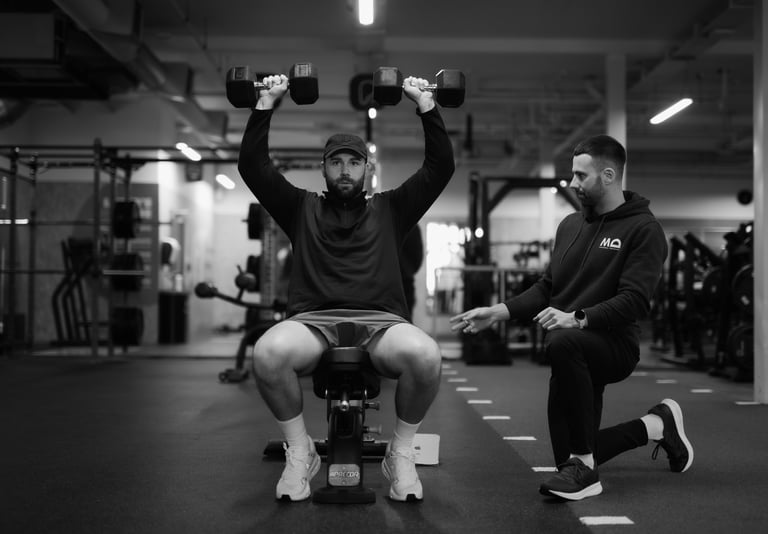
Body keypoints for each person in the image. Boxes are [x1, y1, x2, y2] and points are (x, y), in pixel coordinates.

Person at [237, 73, 455, 502]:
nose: (345, 171)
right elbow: (253, 167)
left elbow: (440, 168)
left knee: (428, 356)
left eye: (354, 163)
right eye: (336, 162)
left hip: (382, 323)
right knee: (266, 353)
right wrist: (265, 103)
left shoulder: (392, 208)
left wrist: (426, 105)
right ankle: (300, 451)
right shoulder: (300, 207)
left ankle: (401, 453)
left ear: (367, 170)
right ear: (324, 167)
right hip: (313, 321)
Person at [450, 134, 693, 501]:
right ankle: (655, 426)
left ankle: (587, 472)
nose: (573, 183)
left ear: (608, 175)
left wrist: (577, 318)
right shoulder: (569, 225)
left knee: (564, 352)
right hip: (570, 347)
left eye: (581, 176)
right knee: (566, 457)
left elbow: (635, 301)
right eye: (572, 175)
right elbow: (548, 286)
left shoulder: (643, 230)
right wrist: (497, 312)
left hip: (613, 345)